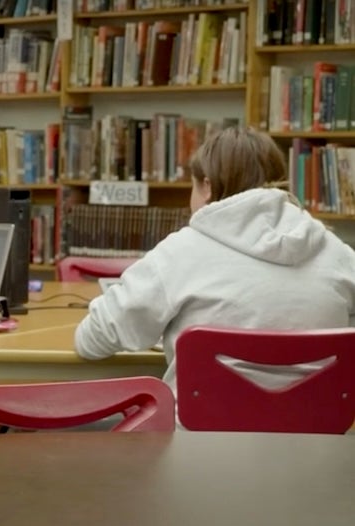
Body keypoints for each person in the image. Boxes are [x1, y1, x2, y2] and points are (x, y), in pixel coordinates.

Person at [75, 126, 355, 394]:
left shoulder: (180, 252)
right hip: (318, 441)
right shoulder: (337, 253)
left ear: (207, 187)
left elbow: (92, 340)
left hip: (198, 442)